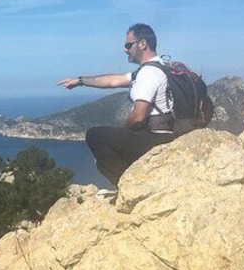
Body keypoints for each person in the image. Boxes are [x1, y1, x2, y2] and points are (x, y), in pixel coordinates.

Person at [57, 23, 174, 187]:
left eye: (128, 45)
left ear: (143, 44)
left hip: (155, 136)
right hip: (168, 131)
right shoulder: (160, 67)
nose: (125, 49)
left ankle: (126, 186)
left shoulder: (148, 73)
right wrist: (80, 81)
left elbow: (139, 116)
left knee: (95, 136)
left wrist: (126, 128)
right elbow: (112, 80)